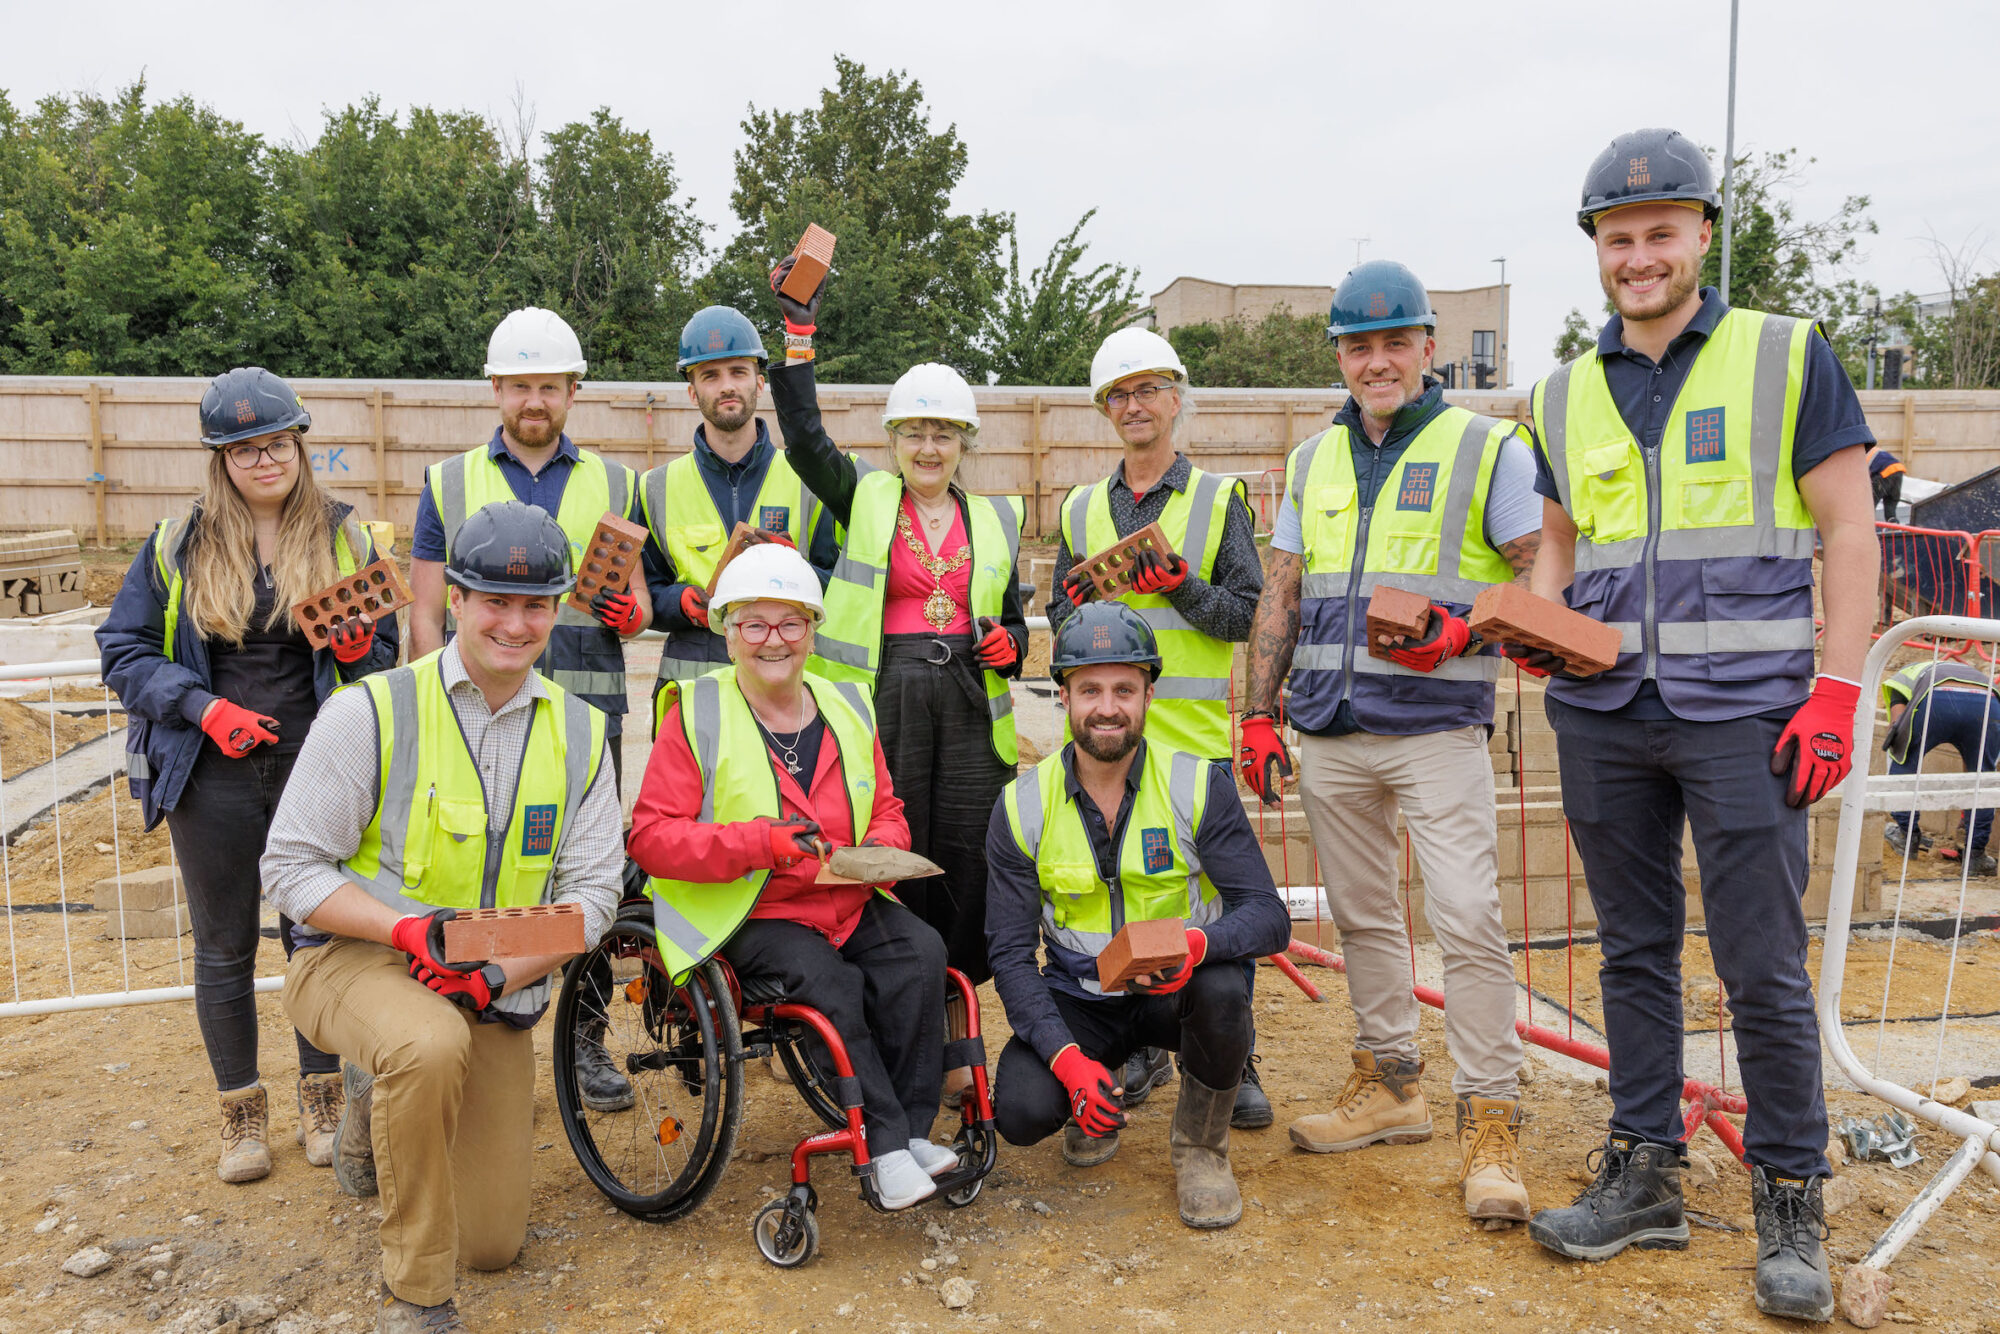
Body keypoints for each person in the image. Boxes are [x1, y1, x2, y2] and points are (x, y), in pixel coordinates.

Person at [1517, 128, 1880, 1324]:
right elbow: (1563, 544)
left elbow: (1845, 530)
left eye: (1658, 232)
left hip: (1749, 716)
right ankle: (1644, 1170)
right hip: (1605, 710)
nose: (1637, 256)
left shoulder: (1785, 355)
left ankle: (1787, 1188)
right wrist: (1536, 627)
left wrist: (1836, 690)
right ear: (1595, 252)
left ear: (1702, 236)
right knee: (1628, 948)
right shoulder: (1562, 391)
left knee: (1759, 965)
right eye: (1616, 239)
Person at [261, 501, 622, 1334]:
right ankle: (415, 1294)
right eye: (494, 599)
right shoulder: (372, 711)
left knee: (493, 1241)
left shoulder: (581, 733)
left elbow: (596, 895)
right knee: (428, 1044)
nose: (515, 622)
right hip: (358, 958)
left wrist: (498, 969)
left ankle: (372, 1103)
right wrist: (406, 931)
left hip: (495, 973)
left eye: (535, 605)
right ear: (454, 598)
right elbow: (288, 867)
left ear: (557, 609)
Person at [1237, 260, 1543, 1222]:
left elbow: (1543, 576)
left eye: (1393, 343)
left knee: (1465, 918)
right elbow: (1283, 585)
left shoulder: (1486, 451)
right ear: (1340, 354)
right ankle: (1392, 1082)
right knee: (1366, 919)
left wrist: (1473, 630)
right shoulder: (1314, 459)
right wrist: (1257, 705)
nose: (1376, 362)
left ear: (1427, 348)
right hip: (1331, 726)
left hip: (1436, 728)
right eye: (1357, 346)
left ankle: (1490, 1119)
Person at [97, 367, 399, 1186]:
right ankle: (240, 1111)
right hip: (212, 774)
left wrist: (354, 651)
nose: (264, 462)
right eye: (243, 450)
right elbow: (122, 653)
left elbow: (385, 653)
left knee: (317, 935)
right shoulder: (178, 545)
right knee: (225, 947)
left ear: (298, 445)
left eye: (276, 444)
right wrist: (200, 707)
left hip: (319, 768)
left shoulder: (347, 538)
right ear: (220, 460)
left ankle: (323, 1095)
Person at [626, 543, 953, 1211]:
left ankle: (912, 1133)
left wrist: (882, 847)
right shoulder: (695, 711)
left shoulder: (847, 704)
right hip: (748, 909)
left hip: (844, 896)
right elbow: (652, 839)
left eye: (790, 624)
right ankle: (885, 1147)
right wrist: (761, 844)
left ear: (812, 628)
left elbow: (886, 806)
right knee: (830, 983)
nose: (773, 641)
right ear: (728, 633)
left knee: (923, 955)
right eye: (754, 624)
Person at [763, 258, 1028, 985]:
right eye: (914, 432)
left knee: (972, 849)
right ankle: (895, 984)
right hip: (889, 698)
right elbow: (807, 439)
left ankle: (958, 1001)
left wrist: (1013, 647)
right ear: (894, 439)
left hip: (973, 702)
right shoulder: (867, 496)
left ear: (964, 443)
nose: (928, 448)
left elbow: (1013, 624)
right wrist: (799, 335)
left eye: (943, 433)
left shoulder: (998, 518)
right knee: (892, 842)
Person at [984, 603, 1290, 1227]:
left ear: (1149, 694)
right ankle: (1097, 1085)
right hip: (1081, 996)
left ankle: (1201, 1147)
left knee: (1225, 990)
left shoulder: (1198, 784)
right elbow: (1011, 958)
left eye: (1125, 689)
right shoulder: (1020, 806)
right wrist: (1069, 1064)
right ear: (1062, 694)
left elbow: (1267, 916)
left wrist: (1196, 946)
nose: (1107, 707)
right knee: (1018, 1112)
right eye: (1089, 688)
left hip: (1177, 996)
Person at [1047, 326, 1270, 1127]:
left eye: (1148, 390)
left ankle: (1230, 1054)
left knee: (1213, 908)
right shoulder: (1079, 508)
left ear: (1176, 399)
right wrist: (1068, 611)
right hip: (1107, 745)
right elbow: (1054, 616)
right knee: (1116, 887)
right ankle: (1136, 1041)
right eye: (1119, 394)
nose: (1134, 405)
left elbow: (1246, 615)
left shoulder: (1216, 499)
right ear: (1105, 410)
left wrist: (1181, 587)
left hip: (1190, 743)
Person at [408, 307, 649, 785]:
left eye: (549, 387)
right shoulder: (447, 482)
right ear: (496, 389)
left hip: (589, 711)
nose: (534, 401)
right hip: (479, 706)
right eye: (520, 386)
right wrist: (431, 704)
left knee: (587, 850)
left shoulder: (618, 483)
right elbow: (426, 616)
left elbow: (639, 601)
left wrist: (633, 617)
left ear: (571, 392)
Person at [636, 305, 839, 703]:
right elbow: (648, 590)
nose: (726, 386)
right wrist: (677, 603)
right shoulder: (655, 487)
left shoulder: (806, 481)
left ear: (760, 383)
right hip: (693, 690)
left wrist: (794, 569)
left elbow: (839, 581)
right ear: (693, 391)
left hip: (786, 682)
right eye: (710, 375)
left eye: (738, 372)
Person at [1881, 660, 2000, 875]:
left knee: (1904, 760)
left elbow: (1896, 732)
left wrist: (1900, 746)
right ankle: (1975, 855)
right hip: (1988, 703)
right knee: (1982, 776)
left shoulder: (1901, 678)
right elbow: (1973, 768)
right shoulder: (1970, 673)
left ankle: (1905, 835)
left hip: (1936, 699)